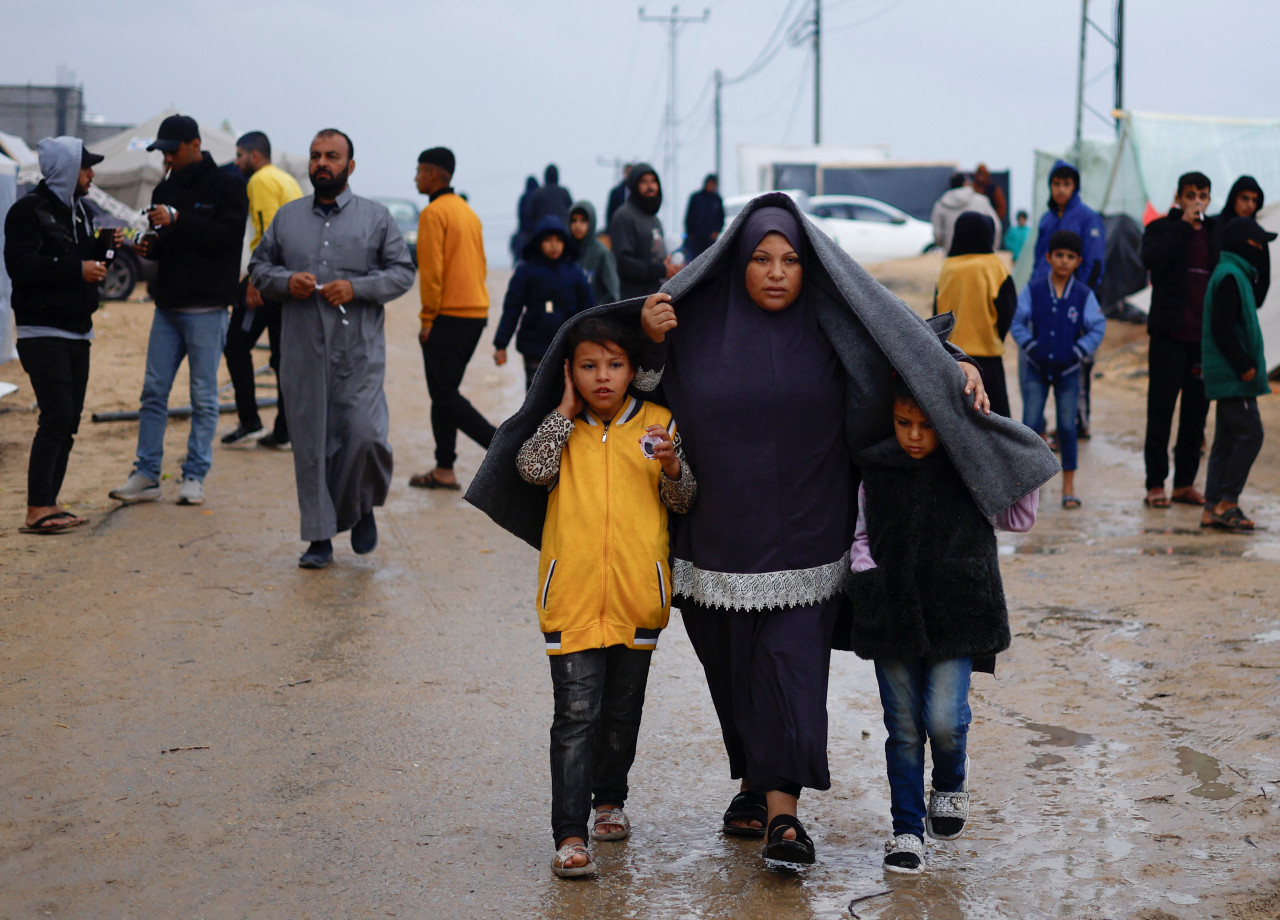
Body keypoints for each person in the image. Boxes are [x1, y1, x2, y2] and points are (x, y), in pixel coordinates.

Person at [467, 193, 1059, 869]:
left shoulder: (833, 322)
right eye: (760, 259)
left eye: (790, 260)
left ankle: (785, 817)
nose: (777, 272)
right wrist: (646, 328)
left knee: (792, 671)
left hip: (808, 530)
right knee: (734, 674)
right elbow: (623, 374)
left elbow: (898, 341)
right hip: (710, 535)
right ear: (733, 264)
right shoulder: (688, 326)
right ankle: (754, 780)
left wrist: (951, 365)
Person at [515, 315, 697, 878]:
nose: (603, 377)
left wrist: (671, 463)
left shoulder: (660, 424)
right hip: (570, 599)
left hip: (637, 599)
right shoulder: (559, 429)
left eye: (614, 365)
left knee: (621, 714)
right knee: (573, 716)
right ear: (569, 372)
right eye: (589, 366)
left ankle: (609, 800)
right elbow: (530, 470)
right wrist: (562, 415)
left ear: (631, 370)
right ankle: (569, 835)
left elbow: (684, 501)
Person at [847, 375, 1038, 874]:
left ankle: (951, 782)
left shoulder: (967, 467)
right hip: (892, 612)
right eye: (903, 423)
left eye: (927, 425)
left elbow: (1019, 516)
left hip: (958, 612)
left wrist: (996, 439)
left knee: (944, 721)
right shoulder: (878, 469)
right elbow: (862, 535)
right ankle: (906, 830)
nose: (913, 435)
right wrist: (868, 576)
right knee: (904, 728)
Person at [248, 128, 415, 568]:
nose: (322, 163)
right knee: (310, 445)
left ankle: (361, 507)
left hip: (358, 350)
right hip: (302, 349)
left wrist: (356, 288)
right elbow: (259, 268)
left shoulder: (377, 218)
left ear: (350, 166)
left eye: (332, 156)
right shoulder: (287, 218)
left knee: (363, 435)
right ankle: (319, 538)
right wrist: (286, 281)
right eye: (316, 156)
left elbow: (402, 273)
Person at [108, 114, 248, 507]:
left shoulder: (228, 186)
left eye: (171, 150)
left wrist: (180, 219)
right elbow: (168, 242)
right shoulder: (163, 188)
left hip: (207, 308)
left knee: (203, 397)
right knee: (153, 392)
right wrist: (150, 247)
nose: (165, 158)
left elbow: (227, 238)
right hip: (167, 307)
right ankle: (147, 474)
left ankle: (194, 476)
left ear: (194, 145)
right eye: (162, 152)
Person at [3, 137, 104, 533]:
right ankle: (36, 507)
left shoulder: (83, 212)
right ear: (64, 169)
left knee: (70, 419)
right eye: (85, 167)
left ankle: (49, 504)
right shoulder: (27, 211)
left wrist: (104, 250)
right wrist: (77, 269)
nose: (91, 174)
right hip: (41, 331)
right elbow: (21, 266)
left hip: (79, 332)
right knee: (57, 414)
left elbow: (87, 260)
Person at [411, 146, 497, 491]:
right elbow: (482, 263)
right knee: (443, 393)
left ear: (433, 175)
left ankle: (502, 448)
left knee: (445, 395)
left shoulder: (433, 213)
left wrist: (427, 318)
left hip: (449, 314)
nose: (414, 177)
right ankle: (444, 468)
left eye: (418, 171)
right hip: (476, 313)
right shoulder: (467, 212)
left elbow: (431, 273)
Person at [1011, 230, 1106, 508]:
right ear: (1048, 257)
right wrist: (1030, 346)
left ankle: (1069, 487)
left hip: (1068, 372)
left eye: (1070, 257)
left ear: (1078, 261)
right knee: (1030, 424)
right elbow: (1016, 320)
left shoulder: (1083, 294)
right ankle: (1026, 490)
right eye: (1059, 255)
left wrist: (1077, 351)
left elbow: (1098, 327)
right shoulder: (1034, 289)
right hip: (1035, 368)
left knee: (1067, 426)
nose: (1064, 261)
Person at [221, 131, 303, 449]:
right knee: (282, 357)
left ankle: (250, 421)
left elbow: (270, 231)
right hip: (289, 280)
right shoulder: (287, 180)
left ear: (255, 156)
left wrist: (256, 280)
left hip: (269, 280)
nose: (237, 161)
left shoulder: (259, 181)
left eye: (240, 155)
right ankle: (284, 432)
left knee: (235, 345)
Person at [1140, 171, 1217, 509]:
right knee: (1160, 412)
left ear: (1210, 199)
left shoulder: (1215, 233)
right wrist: (1184, 225)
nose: (1197, 200)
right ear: (1178, 197)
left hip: (1203, 341)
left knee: (1195, 417)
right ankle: (1156, 484)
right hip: (1169, 337)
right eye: (1190, 194)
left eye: (1202, 194)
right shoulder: (1161, 229)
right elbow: (1152, 260)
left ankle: (1185, 484)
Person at [1199, 218, 1274, 532]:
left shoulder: (1237, 274)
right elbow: (1223, 327)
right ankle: (1228, 502)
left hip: (1231, 375)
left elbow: (1260, 293)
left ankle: (1211, 507)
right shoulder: (1230, 276)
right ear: (1245, 245)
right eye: (1259, 244)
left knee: (1226, 440)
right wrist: (1244, 364)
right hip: (1233, 376)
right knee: (1251, 435)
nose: (1263, 250)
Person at [1030, 159, 1107, 439]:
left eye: (1066, 184)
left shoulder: (1088, 218)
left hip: (1076, 304)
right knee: (1043, 360)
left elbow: (1096, 263)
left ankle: (1078, 423)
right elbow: (1040, 259)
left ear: (1074, 187)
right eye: (1056, 184)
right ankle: (1041, 427)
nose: (1061, 189)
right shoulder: (1047, 220)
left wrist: (1078, 297)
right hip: (1046, 302)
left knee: (1078, 363)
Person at [493, 215, 595, 390]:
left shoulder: (574, 272)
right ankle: (536, 420)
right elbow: (512, 309)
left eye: (558, 240)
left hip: (568, 346)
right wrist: (501, 345)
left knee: (567, 397)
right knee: (535, 398)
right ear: (539, 242)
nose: (554, 245)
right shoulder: (525, 271)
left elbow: (588, 309)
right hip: (534, 346)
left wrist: (593, 342)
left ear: (565, 242)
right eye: (548, 240)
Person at [933, 212, 1016, 417]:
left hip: (954, 358)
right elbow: (1008, 308)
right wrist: (995, 337)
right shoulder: (994, 266)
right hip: (988, 359)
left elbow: (938, 314)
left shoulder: (948, 267)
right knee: (995, 419)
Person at [608, 163, 677, 301]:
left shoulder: (655, 220)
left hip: (654, 295)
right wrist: (660, 270)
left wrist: (668, 266)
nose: (650, 186)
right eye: (644, 182)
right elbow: (624, 264)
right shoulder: (624, 216)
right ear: (634, 185)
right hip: (632, 300)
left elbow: (656, 256)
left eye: (653, 181)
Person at [1213, 177, 1267, 296]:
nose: (1250, 205)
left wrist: (1248, 299)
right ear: (1234, 198)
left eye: (1254, 200)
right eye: (1245, 198)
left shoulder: (1257, 234)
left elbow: (1264, 276)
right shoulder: (1214, 226)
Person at [931, 172, 1001, 255]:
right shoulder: (982, 201)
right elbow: (997, 227)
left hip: (953, 257)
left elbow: (937, 234)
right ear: (965, 183)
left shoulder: (940, 204)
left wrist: (945, 245)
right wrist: (992, 248)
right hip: (980, 255)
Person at [569, 200, 620, 305]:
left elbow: (613, 294)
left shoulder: (602, 253)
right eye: (574, 221)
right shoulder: (565, 252)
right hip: (568, 318)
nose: (577, 225)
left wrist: (596, 313)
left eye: (583, 221)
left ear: (591, 222)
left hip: (594, 317)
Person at [684, 174, 725, 259]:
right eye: (709, 183)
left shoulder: (717, 199)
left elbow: (721, 218)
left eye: (713, 184)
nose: (710, 186)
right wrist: (690, 233)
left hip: (710, 239)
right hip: (696, 239)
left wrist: (716, 231)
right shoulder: (696, 198)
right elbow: (689, 216)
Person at [527, 163, 573, 229]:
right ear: (557, 176)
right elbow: (572, 211)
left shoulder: (538, 193)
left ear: (545, 176)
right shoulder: (564, 192)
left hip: (543, 231)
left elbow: (529, 215)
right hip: (562, 229)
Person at [511, 175, 539, 265]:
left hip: (524, 233)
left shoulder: (523, 198)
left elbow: (520, 216)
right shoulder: (538, 195)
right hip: (536, 232)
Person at [605, 164, 632, 230]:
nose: (628, 175)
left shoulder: (639, 192)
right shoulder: (616, 192)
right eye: (627, 172)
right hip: (619, 228)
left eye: (630, 173)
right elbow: (610, 213)